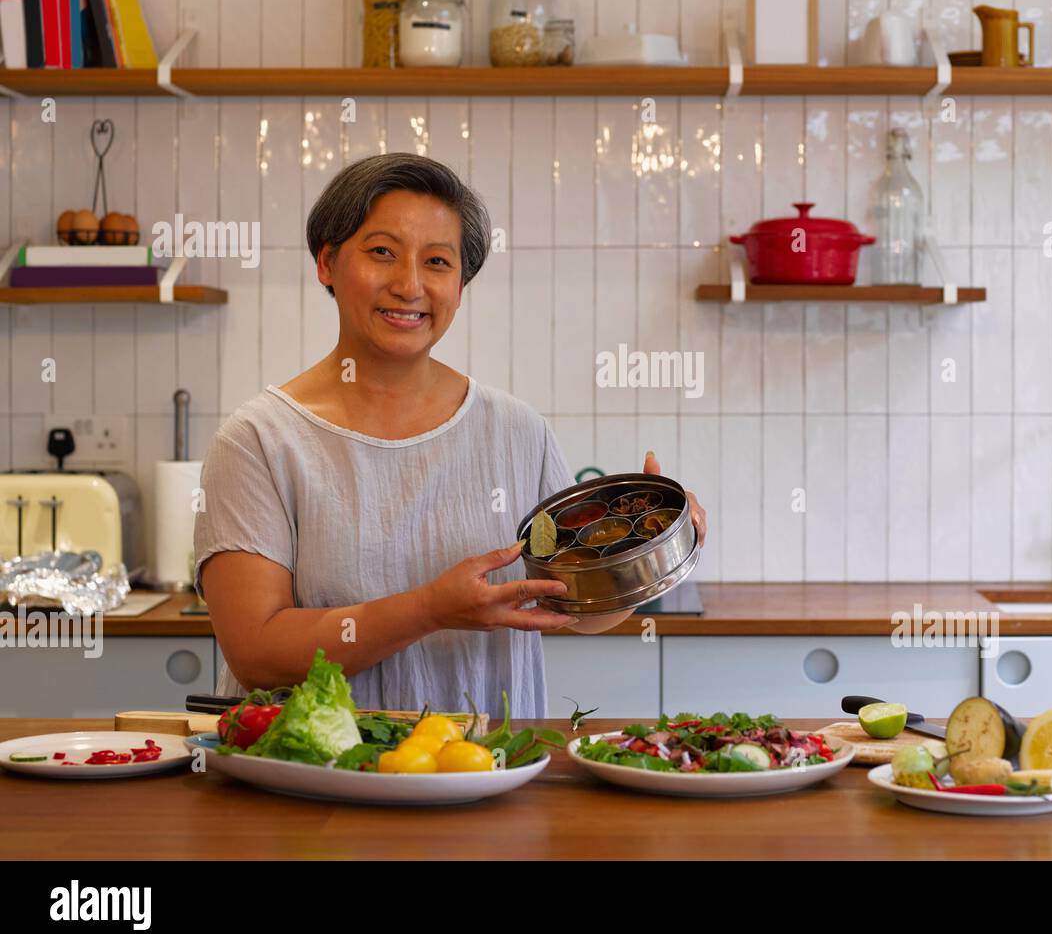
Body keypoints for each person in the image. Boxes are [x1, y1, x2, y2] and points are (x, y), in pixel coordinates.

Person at [192, 153, 706, 717]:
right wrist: (429, 609)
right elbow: (257, 653)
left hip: (485, 770)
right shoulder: (260, 440)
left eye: (437, 261)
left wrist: (652, 555)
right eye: (382, 251)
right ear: (327, 262)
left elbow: (576, 607)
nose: (409, 284)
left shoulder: (516, 431)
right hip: (317, 779)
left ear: (460, 284)